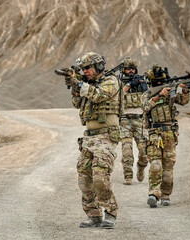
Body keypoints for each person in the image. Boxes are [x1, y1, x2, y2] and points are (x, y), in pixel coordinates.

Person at [69, 52, 120, 228]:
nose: (85, 71)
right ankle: (94, 215)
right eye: (82, 69)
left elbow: (99, 95)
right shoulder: (87, 85)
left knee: (100, 176)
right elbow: (77, 103)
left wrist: (80, 83)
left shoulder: (110, 81)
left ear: (98, 66)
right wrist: (74, 87)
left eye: (88, 68)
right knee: (84, 177)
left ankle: (110, 212)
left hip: (106, 136)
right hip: (89, 138)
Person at [141, 64, 190, 207]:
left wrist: (183, 89)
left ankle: (166, 195)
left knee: (168, 166)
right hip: (154, 133)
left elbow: (183, 101)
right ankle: (154, 194)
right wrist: (159, 96)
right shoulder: (148, 94)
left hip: (169, 132)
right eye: (155, 81)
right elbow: (144, 107)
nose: (157, 83)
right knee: (156, 164)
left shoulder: (171, 92)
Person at [118, 57, 149, 185]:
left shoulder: (141, 80)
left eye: (132, 68)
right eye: (127, 69)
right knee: (126, 150)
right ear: (123, 70)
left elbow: (150, 96)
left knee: (144, 151)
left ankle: (141, 168)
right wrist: (129, 85)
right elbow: (115, 96)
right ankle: (128, 175)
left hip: (140, 121)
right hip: (125, 120)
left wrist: (143, 86)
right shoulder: (118, 82)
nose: (130, 71)